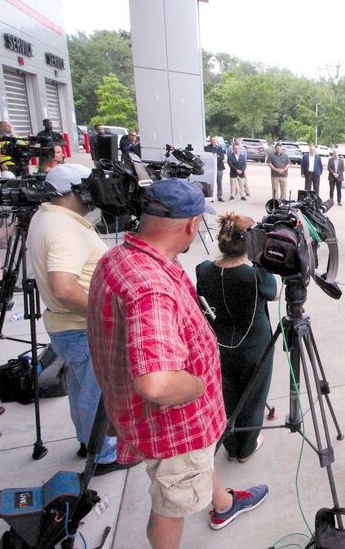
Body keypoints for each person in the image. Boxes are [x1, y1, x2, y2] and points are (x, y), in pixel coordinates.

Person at [88, 180, 268, 548]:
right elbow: (156, 383)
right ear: (191, 224)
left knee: (196, 466)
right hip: (173, 427)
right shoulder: (150, 285)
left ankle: (224, 504)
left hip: (167, 423)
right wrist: (198, 384)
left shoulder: (119, 257)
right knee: (172, 502)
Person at [26, 164, 130, 474]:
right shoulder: (62, 228)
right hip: (82, 328)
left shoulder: (49, 216)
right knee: (95, 391)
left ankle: (89, 442)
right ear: (77, 191)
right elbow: (63, 287)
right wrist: (107, 313)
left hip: (71, 327)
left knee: (81, 386)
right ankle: (103, 453)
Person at [196, 212, 278, 463]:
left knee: (227, 395)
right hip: (254, 344)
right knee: (253, 397)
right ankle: (246, 448)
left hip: (219, 342)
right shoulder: (256, 276)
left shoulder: (204, 270)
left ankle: (231, 442)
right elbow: (273, 294)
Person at [205, 136, 226, 202]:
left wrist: (216, 157)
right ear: (210, 141)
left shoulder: (219, 148)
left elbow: (222, 157)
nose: (213, 141)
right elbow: (207, 157)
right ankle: (211, 196)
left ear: (216, 140)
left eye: (214, 140)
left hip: (219, 167)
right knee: (211, 182)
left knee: (219, 182)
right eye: (212, 140)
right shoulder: (207, 148)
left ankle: (220, 196)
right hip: (211, 168)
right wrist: (216, 156)